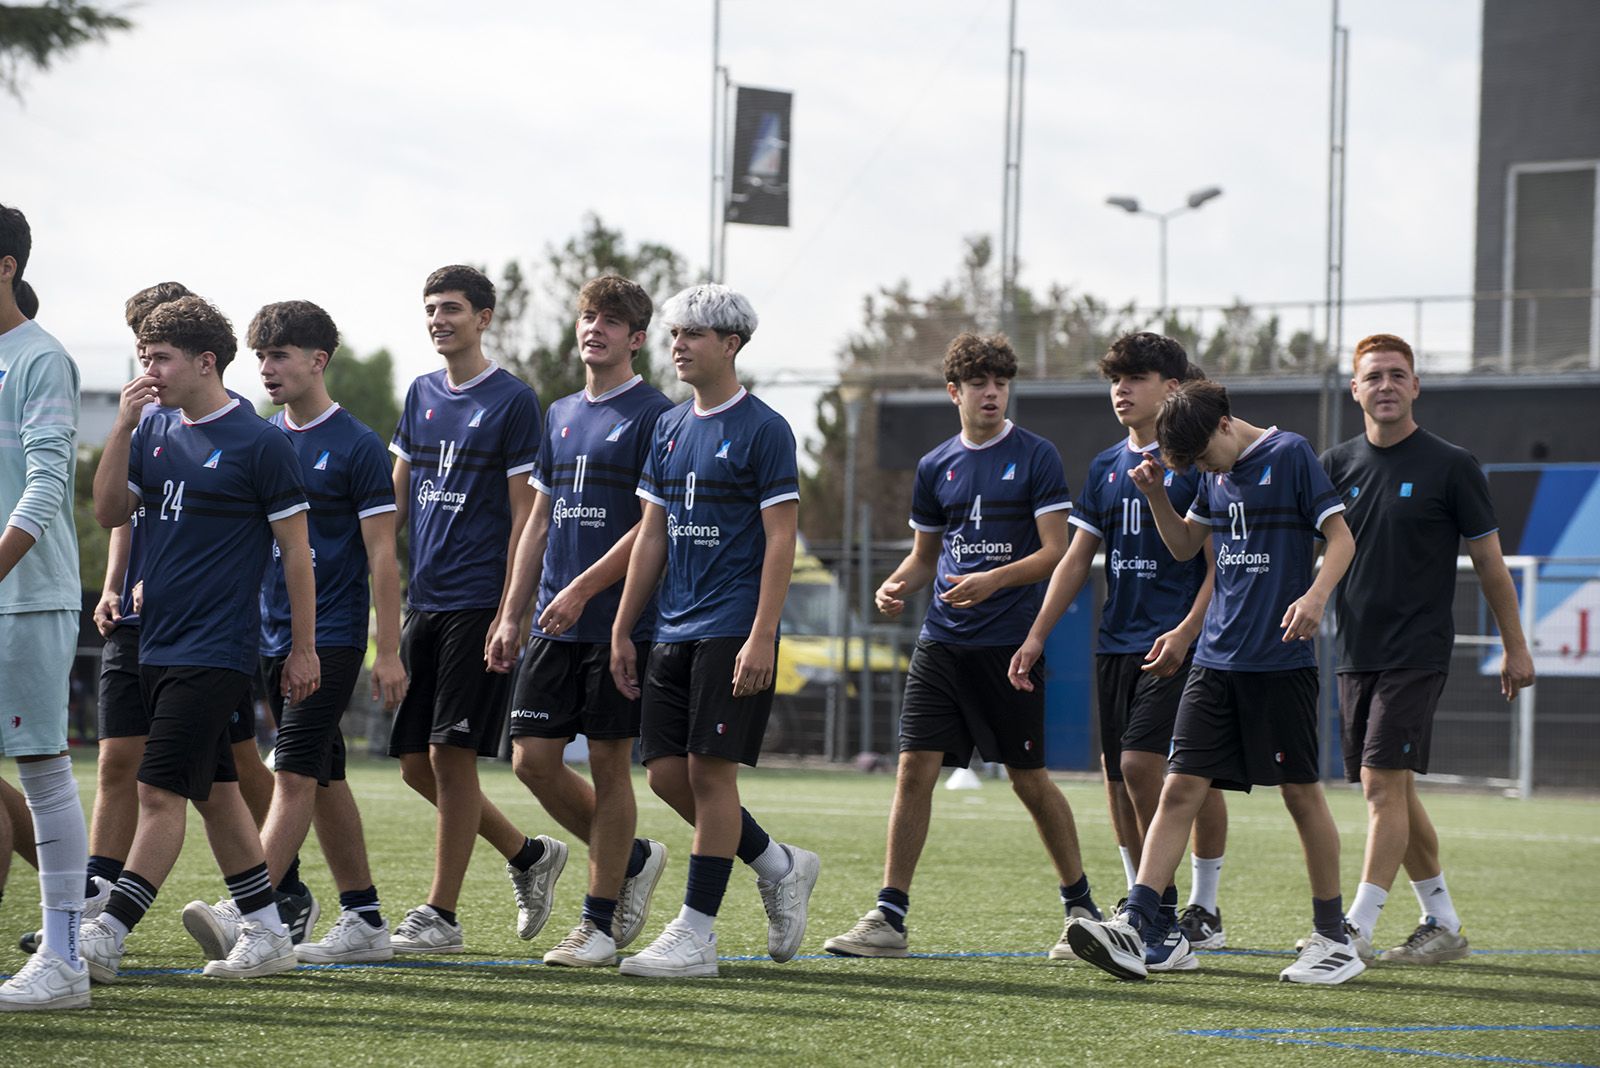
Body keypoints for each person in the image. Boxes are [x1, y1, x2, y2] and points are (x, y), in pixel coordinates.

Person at [1066, 379, 1363, 985]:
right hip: (1214, 662)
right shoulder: (1209, 472)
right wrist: (1155, 496)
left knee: (1300, 794)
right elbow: (1183, 547)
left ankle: (1334, 939)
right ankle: (1140, 921)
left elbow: (1341, 539)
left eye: (1203, 457)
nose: (1202, 468)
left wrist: (1315, 595)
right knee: (1178, 789)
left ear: (1225, 425)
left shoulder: (1291, 455)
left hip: (1279, 663)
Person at [824, 331, 1100, 960]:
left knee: (1029, 781)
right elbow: (925, 558)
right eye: (979, 383)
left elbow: (1055, 552)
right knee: (913, 769)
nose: (992, 393)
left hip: (1008, 648)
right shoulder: (934, 466)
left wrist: (993, 579)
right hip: (942, 643)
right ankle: (889, 916)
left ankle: (1080, 907)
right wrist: (895, 585)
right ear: (955, 392)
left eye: (1001, 383)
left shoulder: (1037, 456)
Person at [81, 295, 319, 982]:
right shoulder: (151, 427)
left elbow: (297, 556)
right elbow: (107, 511)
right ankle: (269, 933)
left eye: (159, 359)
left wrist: (302, 649)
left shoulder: (262, 442)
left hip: (215, 650)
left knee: (160, 795)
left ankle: (105, 936)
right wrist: (122, 427)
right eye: (142, 358)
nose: (147, 371)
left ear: (205, 362)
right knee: (218, 793)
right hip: (155, 642)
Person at [181, 300, 409, 965]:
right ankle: (364, 918)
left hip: (332, 636)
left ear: (319, 360)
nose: (267, 368)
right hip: (266, 637)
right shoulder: (259, 439)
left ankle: (250, 913)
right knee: (324, 777)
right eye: (260, 357)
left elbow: (383, 557)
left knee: (293, 774)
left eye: (279, 355)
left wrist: (388, 651)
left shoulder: (360, 447)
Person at [608, 283, 819, 978]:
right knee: (668, 774)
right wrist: (622, 627)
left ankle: (697, 934)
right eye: (675, 334)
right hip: (672, 625)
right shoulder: (668, 427)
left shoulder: (765, 429)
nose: (678, 345)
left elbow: (781, 540)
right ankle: (777, 862)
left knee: (708, 773)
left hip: (733, 625)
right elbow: (650, 537)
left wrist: (764, 633)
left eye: (693, 334)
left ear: (730, 344)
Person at [1008, 333, 1231, 959]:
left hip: (1181, 642)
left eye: (1136, 377)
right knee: (1119, 777)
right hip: (1117, 643)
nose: (1121, 390)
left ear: (1173, 386)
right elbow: (1077, 559)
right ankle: (1145, 901)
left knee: (1162, 771)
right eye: (1115, 379)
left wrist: (1190, 631)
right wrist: (1036, 634)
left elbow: (1219, 564)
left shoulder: (1196, 462)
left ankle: (1190, 908)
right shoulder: (1107, 465)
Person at [1321, 333, 1534, 964]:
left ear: (1415, 386)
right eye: (1373, 376)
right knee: (1394, 792)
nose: (1385, 385)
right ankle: (1441, 921)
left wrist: (1515, 648)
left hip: (1417, 650)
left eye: (1397, 374)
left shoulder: (1452, 464)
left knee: (1381, 785)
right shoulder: (1335, 466)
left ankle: (1351, 930)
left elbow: (1492, 565)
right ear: (1354, 389)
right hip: (1355, 651)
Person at [486, 277, 672, 968]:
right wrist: (513, 611)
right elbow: (538, 518)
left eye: (612, 321)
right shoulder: (560, 411)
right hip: (551, 621)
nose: (595, 328)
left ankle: (595, 924)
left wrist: (587, 588)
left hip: (619, 621)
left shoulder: (657, 415)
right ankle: (633, 860)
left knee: (608, 762)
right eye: (589, 316)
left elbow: (654, 527)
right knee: (531, 761)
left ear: (637, 338)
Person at [388, 265, 560, 952]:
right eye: (430, 309)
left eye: (452, 308)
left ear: (484, 317)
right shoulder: (419, 393)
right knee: (412, 762)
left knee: (449, 754)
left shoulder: (515, 401)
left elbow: (528, 517)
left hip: (478, 602)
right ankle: (528, 855)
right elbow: (393, 504)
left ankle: (441, 916)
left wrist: (510, 612)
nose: (439, 319)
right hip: (422, 601)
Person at [0, 203, 91, 1010]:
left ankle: (65, 958)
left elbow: (46, 480)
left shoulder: (40, 359)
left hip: (24, 600)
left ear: (6, 268)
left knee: (40, 770)